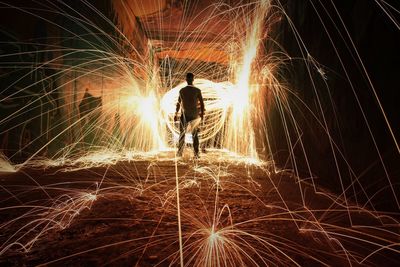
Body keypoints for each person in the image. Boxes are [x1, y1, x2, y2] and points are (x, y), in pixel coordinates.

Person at [174, 72, 205, 158]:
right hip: (194, 115)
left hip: (185, 115)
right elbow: (202, 104)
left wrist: (176, 114)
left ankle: (180, 152)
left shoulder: (182, 90)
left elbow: (178, 103)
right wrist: (202, 114)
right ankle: (196, 153)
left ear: (186, 80)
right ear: (193, 79)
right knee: (194, 135)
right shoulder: (197, 90)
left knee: (182, 134)